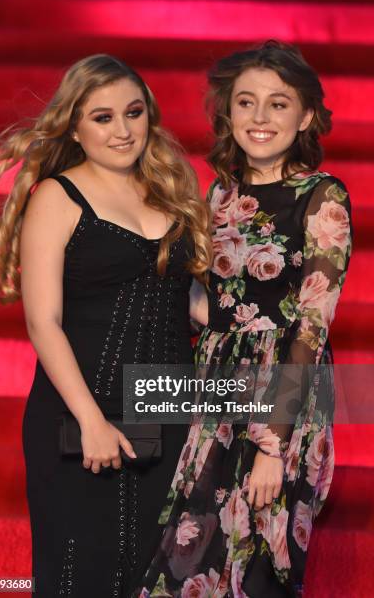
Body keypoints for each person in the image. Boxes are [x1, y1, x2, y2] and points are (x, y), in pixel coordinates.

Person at [0, 54, 212, 597]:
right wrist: (92, 419)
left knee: (155, 577)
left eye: (133, 112)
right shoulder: (57, 196)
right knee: (83, 575)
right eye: (103, 118)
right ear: (74, 126)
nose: (123, 131)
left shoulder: (169, 189)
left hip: (167, 407)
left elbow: (185, 296)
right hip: (84, 411)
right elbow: (43, 322)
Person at [135, 41, 353, 597]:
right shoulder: (218, 195)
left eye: (278, 104)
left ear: (305, 115)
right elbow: (213, 305)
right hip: (217, 391)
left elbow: (310, 323)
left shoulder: (322, 195)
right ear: (227, 114)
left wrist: (271, 446)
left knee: (260, 565)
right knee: (191, 561)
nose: (260, 118)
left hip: (284, 395)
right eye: (246, 103)